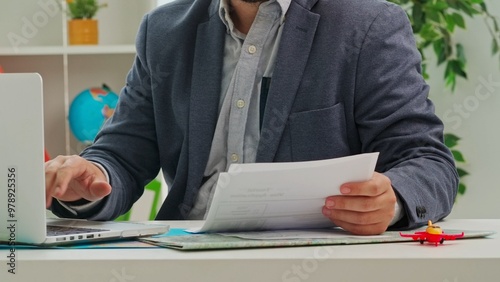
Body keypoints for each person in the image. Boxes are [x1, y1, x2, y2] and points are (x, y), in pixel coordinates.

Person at [45, 0, 459, 235]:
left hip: (312, 264)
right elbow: (122, 156)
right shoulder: (163, 30)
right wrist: (89, 177)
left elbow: (428, 161)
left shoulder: (367, 25)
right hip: (185, 259)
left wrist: (395, 199)